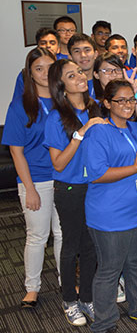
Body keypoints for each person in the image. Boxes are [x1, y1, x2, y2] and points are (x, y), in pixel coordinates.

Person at [82, 79, 137, 331]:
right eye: (121, 100)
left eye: (132, 99)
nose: (128, 105)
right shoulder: (98, 132)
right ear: (107, 103)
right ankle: (105, 322)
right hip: (109, 215)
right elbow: (96, 173)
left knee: (136, 262)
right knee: (110, 269)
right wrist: (135, 167)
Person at [44, 59, 105, 326]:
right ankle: (69, 300)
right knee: (71, 247)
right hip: (69, 189)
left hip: (95, 187)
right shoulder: (56, 117)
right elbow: (58, 163)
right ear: (61, 85)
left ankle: (87, 298)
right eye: (72, 75)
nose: (80, 76)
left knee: (91, 245)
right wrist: (81, 132)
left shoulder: (96, 108)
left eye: (80, 71)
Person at [2, 48, 61, 309]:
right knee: (37, 235)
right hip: (35, 180)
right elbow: (16, 152)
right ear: (29, 73)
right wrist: (30, 189)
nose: (45, 73)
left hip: (64, 178)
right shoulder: (20, 105)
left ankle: (66, 281)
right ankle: (32, 288)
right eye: (39, 68)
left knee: (63, 234)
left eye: (50, 67)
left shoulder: (64, 101)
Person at [92, 52, 137, 127]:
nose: (114, 74)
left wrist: (133, 93)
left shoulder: (129, 100)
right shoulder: (93, 103)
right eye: (107, 70)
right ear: (96, 74)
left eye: (118, 70)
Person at [68, 34, 99, 99]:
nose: (83, 55)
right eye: (77, 51)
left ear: (96, 54)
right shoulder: (67, 85)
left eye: (87, 50)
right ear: (70, 57)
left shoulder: (104, 80)